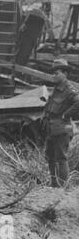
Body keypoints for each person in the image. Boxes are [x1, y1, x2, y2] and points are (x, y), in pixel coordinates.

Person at [43, 59, 79, 187]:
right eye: (53, 73)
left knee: (61, 158)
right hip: (52, 128)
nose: (53, 75)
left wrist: (67, 114)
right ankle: (54, 184)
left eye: (56, 73)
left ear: (64, 73)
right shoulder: (57, 89)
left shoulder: (69, 89)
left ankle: (63, 186)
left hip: (62, 128)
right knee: (50, 157)